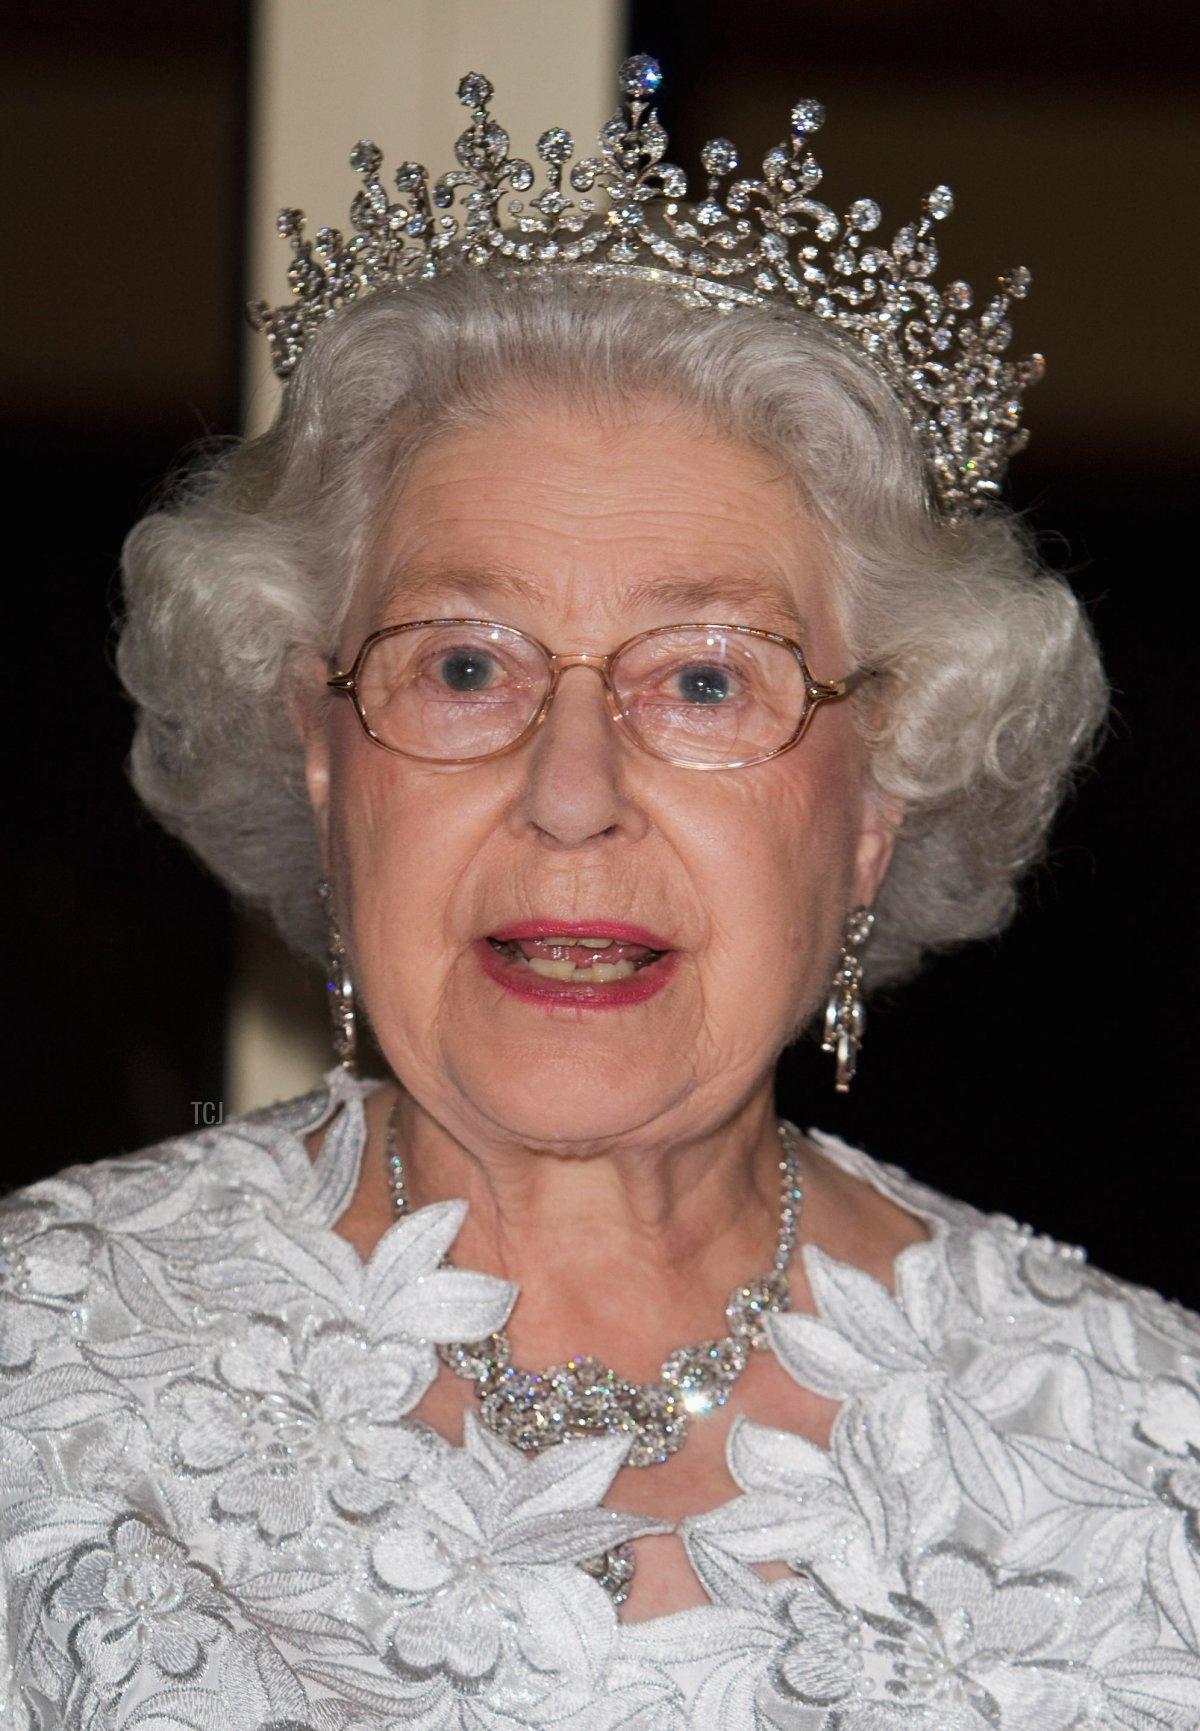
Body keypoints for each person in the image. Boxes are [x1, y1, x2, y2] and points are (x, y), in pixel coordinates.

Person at [2, 55, 1198, 1730]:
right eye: (466, 664)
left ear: (876, 799)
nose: (572, 796)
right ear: (326, 759)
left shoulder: (1156, 1462)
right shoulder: (35, 1379)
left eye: (708, 681)